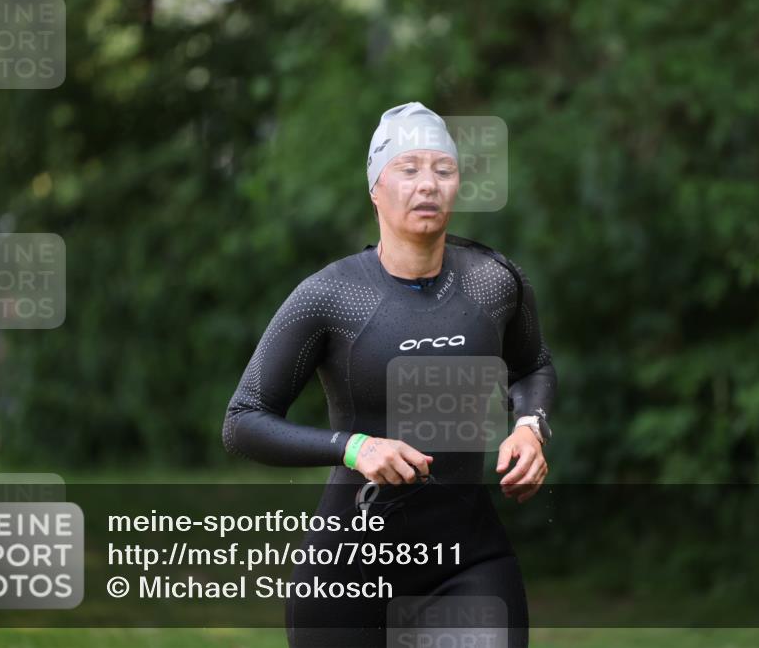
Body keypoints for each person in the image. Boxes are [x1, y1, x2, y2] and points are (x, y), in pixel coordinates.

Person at [223, 101, 556, 647]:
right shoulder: (332, 295)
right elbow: (243, 420)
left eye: (443, 170)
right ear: (375, 187)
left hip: (467, 561)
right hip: (347, 572)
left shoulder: (493, 282)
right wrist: (354, 448)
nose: (428, 183)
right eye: (409, 169)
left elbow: (533, 365)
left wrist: (529, 427)